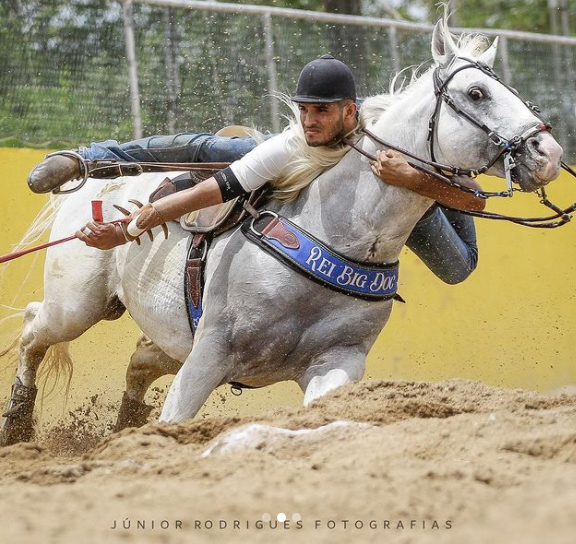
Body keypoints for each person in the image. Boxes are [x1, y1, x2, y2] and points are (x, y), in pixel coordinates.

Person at [28, 55, 483, 284]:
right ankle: (89, 158)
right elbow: (219, 188)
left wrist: (418, 181)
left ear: (350, 111)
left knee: (458, 267)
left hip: (405, 187)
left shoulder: (390, 128)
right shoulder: (295, 141)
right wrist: (133, 227)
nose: (308, 121)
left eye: (321, 111)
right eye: (304, 110)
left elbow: (475, 201)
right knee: (207, 149)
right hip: (308, 161)